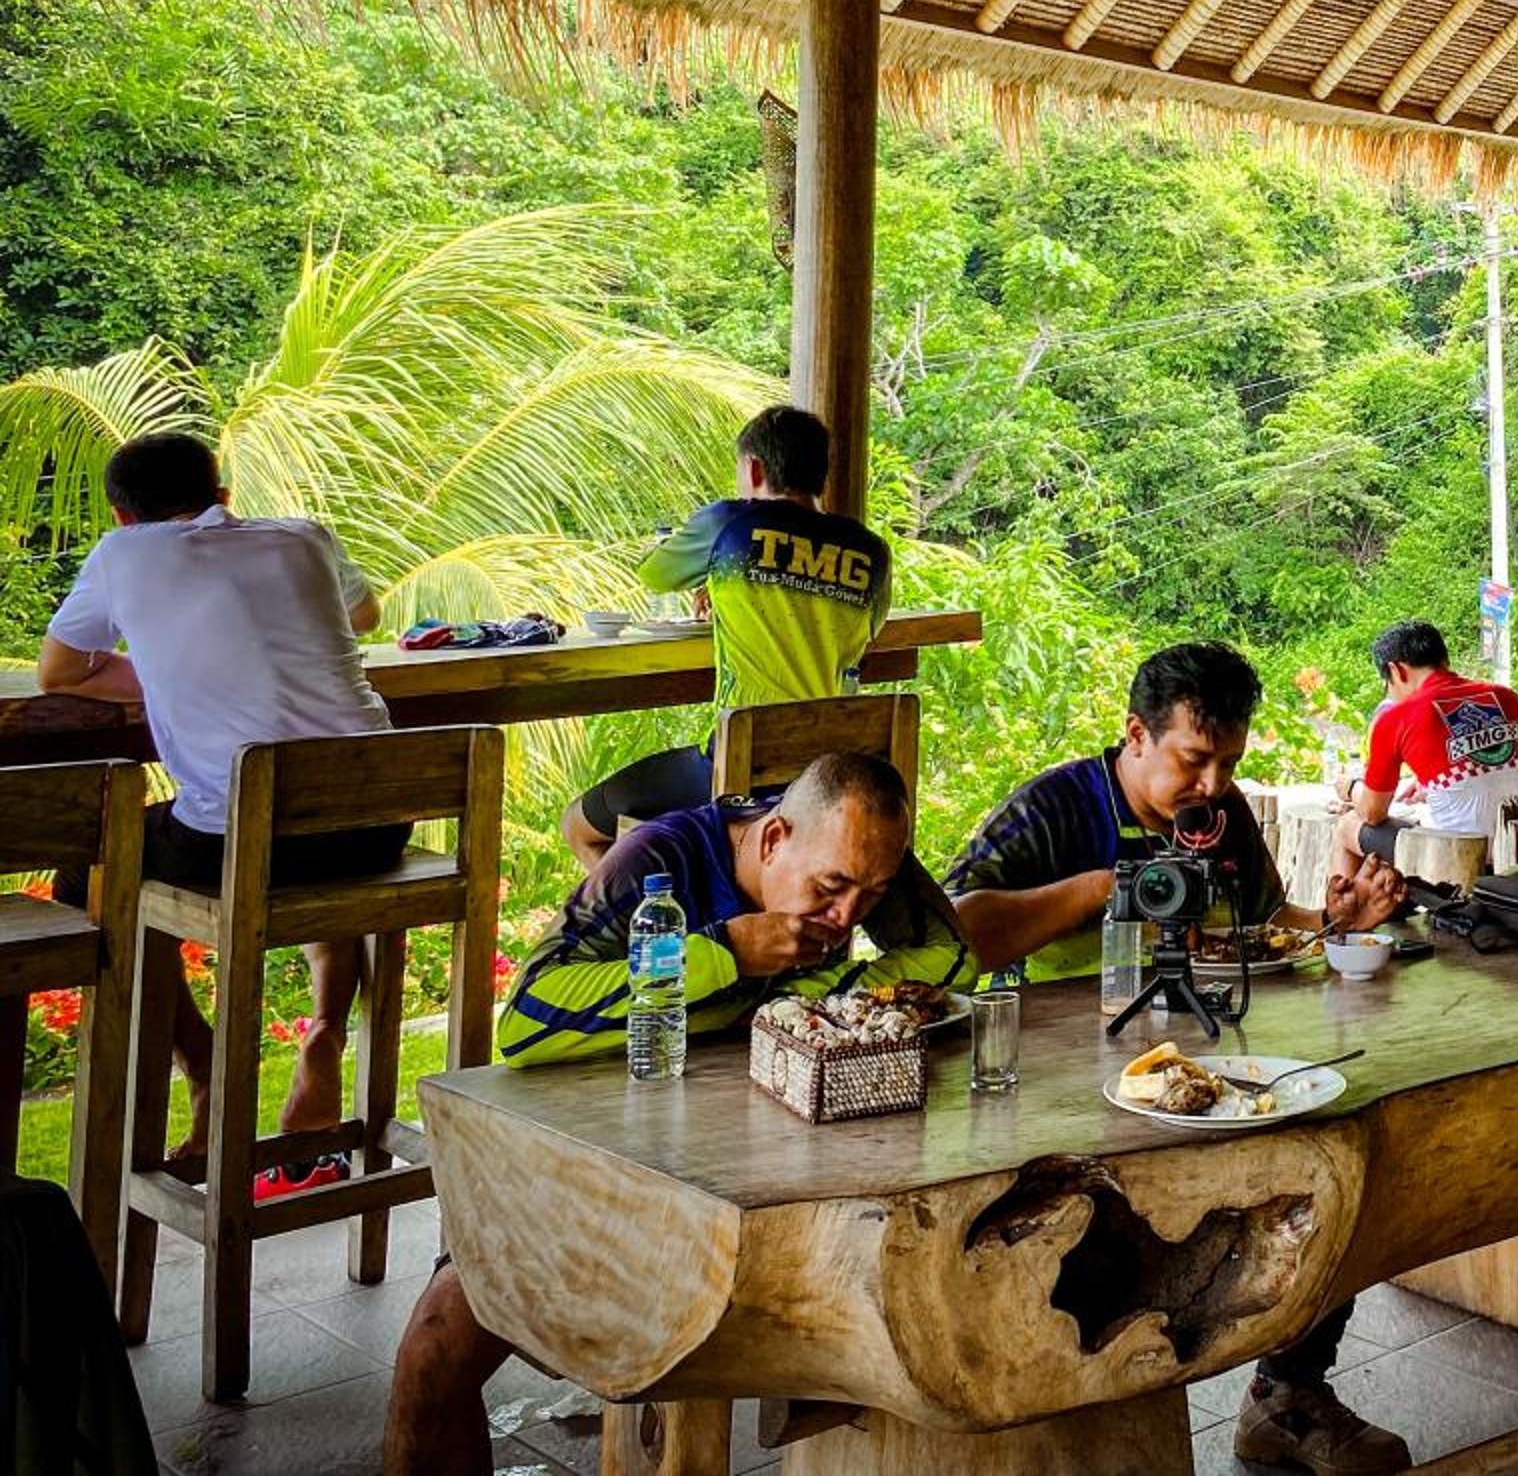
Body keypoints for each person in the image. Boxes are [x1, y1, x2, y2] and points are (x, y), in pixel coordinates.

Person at [385, 753, 966, 1473]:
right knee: (435, 1349)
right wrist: (725, 955)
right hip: (590, 1153)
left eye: (869, 895)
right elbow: (527, 1020)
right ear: (774, 838)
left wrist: (821, 991)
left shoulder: (858, 847)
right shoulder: (656, 860)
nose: (846, 914)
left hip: (743, 1171)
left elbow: (950, 955)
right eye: (830, 888)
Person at [939, 643, 1409, 1476]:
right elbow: (953, 935)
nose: (1212, 784)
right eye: (1193, 760)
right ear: (1136, 734)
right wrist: (1106, 887)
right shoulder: (1056, 808)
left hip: (1212, 1072)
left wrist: (1336, 922)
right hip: (1068, 1093)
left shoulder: (1222, 816)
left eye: (1229, 763)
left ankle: (1288, 1397)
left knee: (1342, 1153)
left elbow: (1268, 927)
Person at [35, 431, 400, 1196]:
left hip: (248, 835)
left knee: (91, 874)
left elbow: (59, 672)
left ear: (122, 515)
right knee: (303, 820)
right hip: (377, 822)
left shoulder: (123, 553)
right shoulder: (304, 537)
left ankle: (204, 1070)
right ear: (224, 496)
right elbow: (365, 617)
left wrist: (171, 669)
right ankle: (325, 1032)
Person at [559, 404, 893, 862]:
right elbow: (868, 630)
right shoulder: (872, 552)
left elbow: (656, 573)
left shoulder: (730, 523)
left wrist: (718, 575)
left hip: (740, 768)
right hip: (832, 773)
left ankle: (659, 911)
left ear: (754, 469)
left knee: (579, 826)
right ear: (822, 474)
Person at [1339, 621, 1518, 872]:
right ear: (1444, 659)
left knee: (1347, 826)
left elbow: (1372, 813)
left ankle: (1337, 900)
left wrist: (1350, 787)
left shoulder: (1397, 718)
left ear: (1396, 670)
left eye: (1386, 684)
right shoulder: (1509, 698)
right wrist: (1430, 784)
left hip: (1460, 855)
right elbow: (1495, 771)